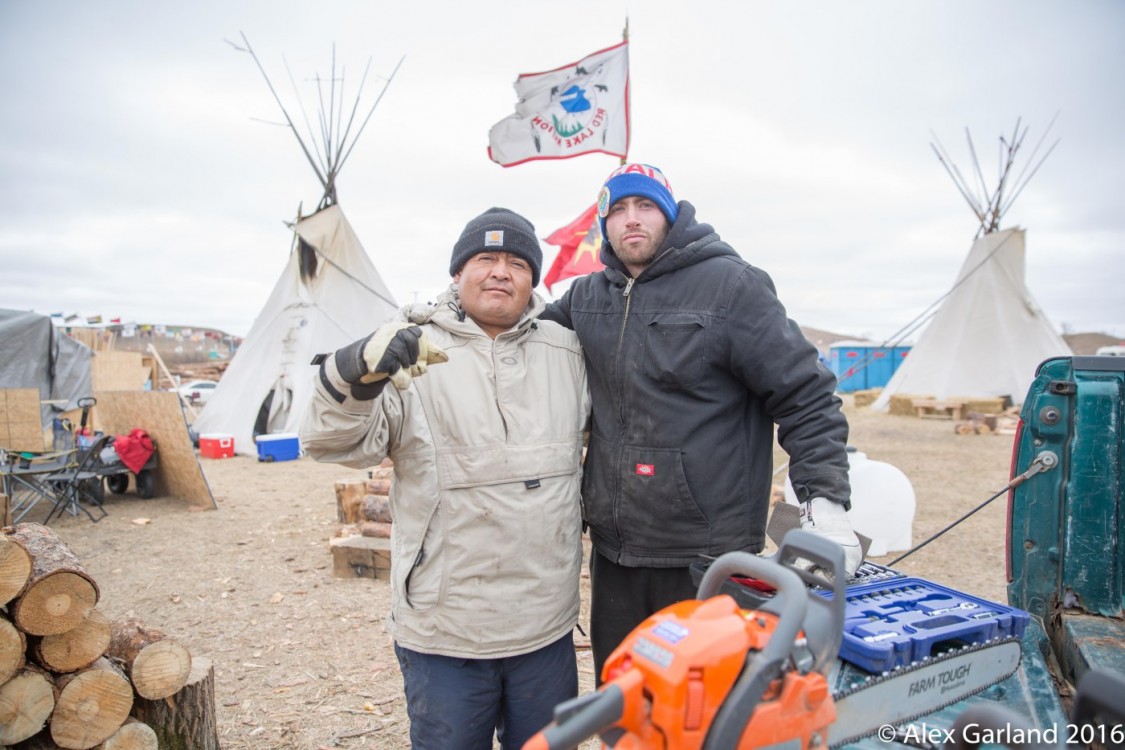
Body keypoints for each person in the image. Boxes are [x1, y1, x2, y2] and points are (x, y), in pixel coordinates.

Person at [540, 163, 861, 681]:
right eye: (617, 210)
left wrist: (826, 504)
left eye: (644, 205)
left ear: (671, 213)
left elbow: (806, 393)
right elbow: (520, 337)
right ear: (604, 225)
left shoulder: (731, 288)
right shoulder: (586, 299)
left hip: (705, 556)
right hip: (616, 554)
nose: (631, 220)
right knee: (624, 702)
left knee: (704, 708)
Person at [300, 207, 591, 750]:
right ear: (458, 273)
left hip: (544, 626)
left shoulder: (567, 352)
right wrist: (349, 373)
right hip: (445, 629)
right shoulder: (407, 349)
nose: (500, 272)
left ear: (534, 280)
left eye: (516, 262)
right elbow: (331, 443)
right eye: (485, 258)